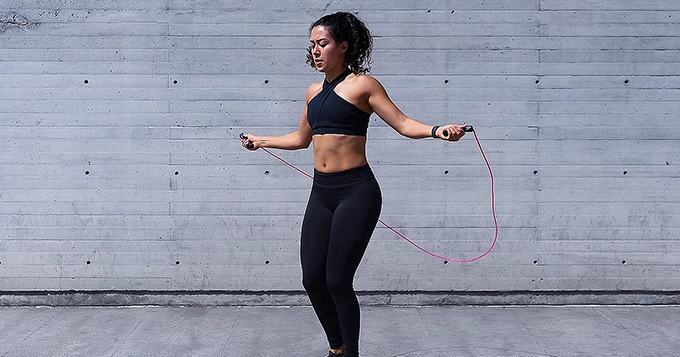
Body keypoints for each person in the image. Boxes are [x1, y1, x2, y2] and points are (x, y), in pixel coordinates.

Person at [241, 11, 467, 357]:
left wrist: (437, 131)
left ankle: (351, 354)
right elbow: (302, 139)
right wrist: (262, 140)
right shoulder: (312, 91)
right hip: (321, 193)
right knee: (312, 279)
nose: (315, 51)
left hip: (356, 192)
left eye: (323, 44)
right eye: (312, 44)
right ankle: (337, 348)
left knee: (337, 281)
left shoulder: (363, 84)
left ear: (343, 46)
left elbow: (403, 123)